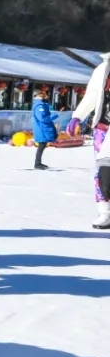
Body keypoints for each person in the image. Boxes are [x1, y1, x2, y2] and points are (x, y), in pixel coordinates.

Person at [66, 52, 110, 228]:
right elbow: (92, 95)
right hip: (104, 127)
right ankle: (105, 212)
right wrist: (78, 116)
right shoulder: (103, 68)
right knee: (103, 171)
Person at [32, 91, 59, 170]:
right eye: (46, 96)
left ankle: (38, 162)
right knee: (41, 145)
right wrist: (54, 116)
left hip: (42, 128)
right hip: (42, 128)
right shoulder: (40, 106)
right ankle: (37, 163)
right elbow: (43, 118)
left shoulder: (42, 105)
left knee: (42, 145)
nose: (48, 97)